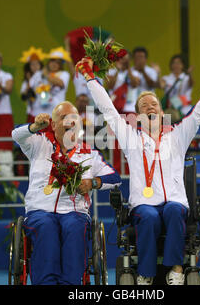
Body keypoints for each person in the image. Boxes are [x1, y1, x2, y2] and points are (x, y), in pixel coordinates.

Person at [76, 57, 200, 285]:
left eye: (153, 104)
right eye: (143, 106)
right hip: (144, 203)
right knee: (148, 216)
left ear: (162, 111)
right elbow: (108, 110)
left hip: (174, 200)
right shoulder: (131, 139)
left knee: (175, 210)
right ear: (136, 116)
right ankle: (146, 273)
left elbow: (199, 110)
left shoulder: (178, 135)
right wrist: (89, 77)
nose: (149, 107)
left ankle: (176, 268)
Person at [11, 103, 121, 285]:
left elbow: (115, 178)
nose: (70, 121)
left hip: (74, 211)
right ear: (53, 125)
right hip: (40, 211)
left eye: (74, 118)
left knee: (74, 227)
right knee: (46, 226)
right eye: (64, 118)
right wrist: (35, 127)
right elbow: (16, 134)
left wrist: (93, 183)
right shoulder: (39, 143)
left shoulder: (90, 153)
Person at [27, 47, 71, 119]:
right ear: (49, 62)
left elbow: (60, 83)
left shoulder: (64, 74)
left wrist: (46, 75)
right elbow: (29, 88)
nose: (55, 64)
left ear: (61, 65)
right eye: (53, 61)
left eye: (58, 62)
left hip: (54, 115)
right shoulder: (39, 73)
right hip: (37, 114)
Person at [160, 54, 194, 122]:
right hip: (170, 110)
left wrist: (190, 74)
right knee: (167, 129)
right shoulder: (166, 78)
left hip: (185, 109)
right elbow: (161, 86)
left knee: (184, 130)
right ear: (171, 65)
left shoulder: (186, 78)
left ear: (183, 65)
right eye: (174, 63)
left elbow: (191, 83)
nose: (176, 65)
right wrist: (158, 74)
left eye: (178, 63)